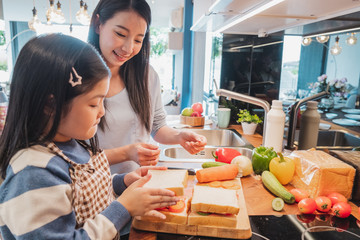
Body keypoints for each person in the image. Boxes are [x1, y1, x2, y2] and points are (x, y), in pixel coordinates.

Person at [0, 33, 179, 239]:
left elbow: (82, 193)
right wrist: (123, 208)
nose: (101, 112)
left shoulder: (70, 144)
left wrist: (122, 182)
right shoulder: (33, 173)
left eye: (104, 102)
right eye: (94, 103)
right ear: (51, 104)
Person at [88, 0, 207, 174]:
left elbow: (156, 126)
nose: (128, 48)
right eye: (120, 34)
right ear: (98, 24)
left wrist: (179, 137)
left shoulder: (146, 76)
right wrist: (126, 153)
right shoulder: (77, 77)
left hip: (139, 183)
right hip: (94, 187)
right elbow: (72, 157)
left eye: (138, 40)